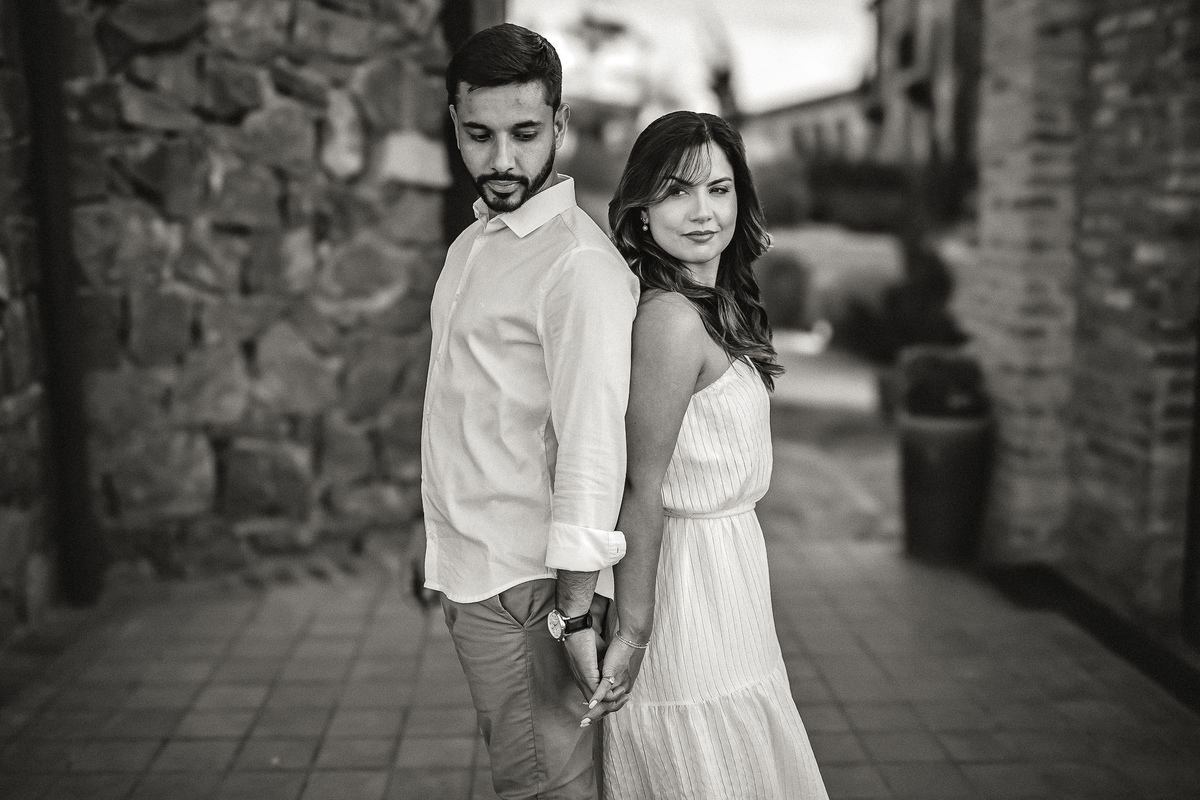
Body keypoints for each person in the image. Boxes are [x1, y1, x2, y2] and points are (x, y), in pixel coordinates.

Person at [582, 111, 829, 799]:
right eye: (677, 191)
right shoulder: (669, 320)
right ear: (641, 208)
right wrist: (634, 632)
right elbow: (640, 486)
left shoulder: (715, 306)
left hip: (730, 577)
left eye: (719, 189)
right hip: (683, 589)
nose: (702, 212)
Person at [421, 23, 639, 800]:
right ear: (454, 123)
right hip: (478, 569)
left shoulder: (576, 265)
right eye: (479, 135)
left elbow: (593, 443)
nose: (502, 160)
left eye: (525, 133)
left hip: (531, 587)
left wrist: (575, 613)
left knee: (543, 786)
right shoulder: (475, 242)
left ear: (561, 124)